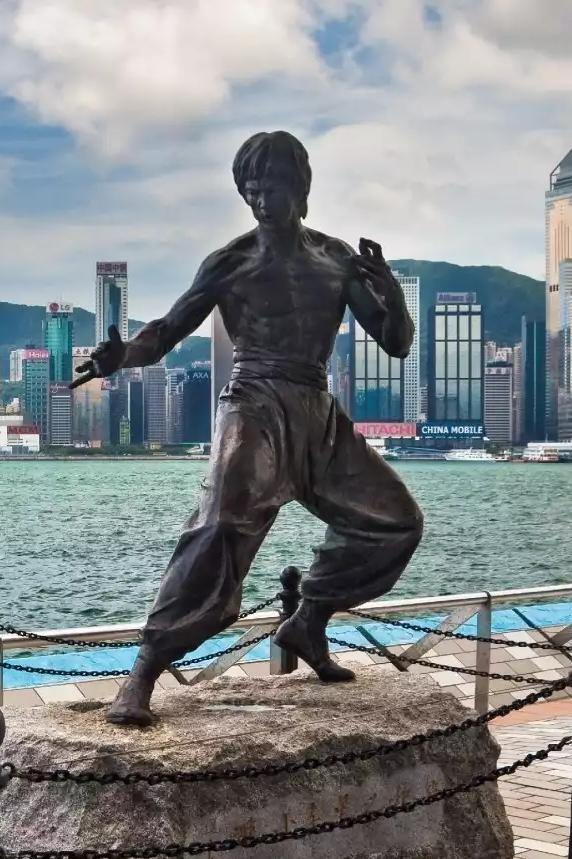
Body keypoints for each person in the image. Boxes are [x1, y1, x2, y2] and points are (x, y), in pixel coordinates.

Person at [79, 130, 424, 726]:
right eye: (252, 190)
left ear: (301, 187)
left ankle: (308, 622)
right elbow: (165, 332)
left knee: (396, 522)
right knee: (217, 530)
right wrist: (121, 357)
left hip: (315, 410)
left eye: (274, 187)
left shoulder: (337, 258)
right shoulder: (230, 262)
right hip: (253, 406)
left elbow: (396, 344)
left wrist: (391, 293)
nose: (263, 200)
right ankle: (143, 672)